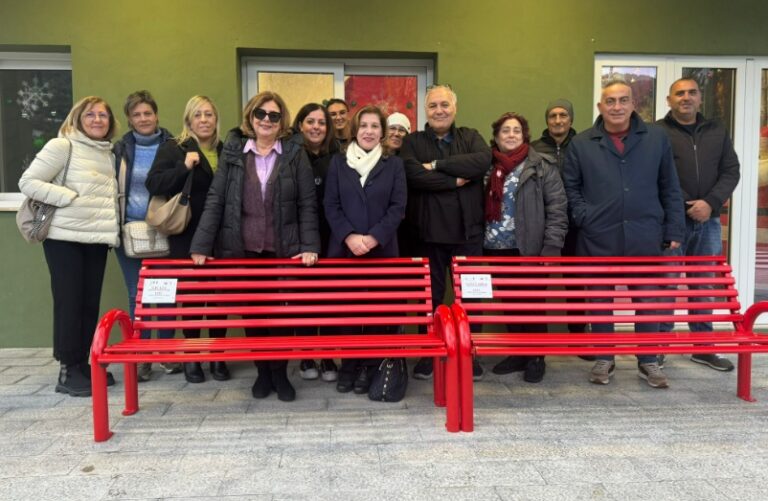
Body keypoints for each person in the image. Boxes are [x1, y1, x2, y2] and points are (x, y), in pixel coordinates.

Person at [190, 91, 320, 402]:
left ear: (281, 122)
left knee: (281, 316)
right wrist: (201, 243)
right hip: (243, 248)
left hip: (282, 249)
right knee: (254, 314)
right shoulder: (235, 152)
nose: (266, 120)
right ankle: (263, 373)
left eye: (274, 116)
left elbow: (307, 202)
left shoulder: (294, 153)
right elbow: (216, 199)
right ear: (251, 116)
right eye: (261, 113)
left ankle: (280, 373)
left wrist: (310, 243)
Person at [563, 79, 685, 388]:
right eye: (610, 101)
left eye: (623, 100)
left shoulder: (656, 138)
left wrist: (673, 228)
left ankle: (649, 361)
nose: (616, 106)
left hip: (647, 235)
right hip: (597, 236)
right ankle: (605, 358)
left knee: (647, 300)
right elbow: (570, 188)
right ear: (600, 106)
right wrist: (584, 216)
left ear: (633, 104)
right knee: (600, 301)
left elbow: (670, 186)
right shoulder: (582, 143)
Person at [19, 96, 120, 397]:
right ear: (77, 118)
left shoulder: (107, 154)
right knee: (69, 302)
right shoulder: (63, 145)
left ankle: (84, 363)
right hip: (64, 239)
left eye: (103, 115)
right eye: (90, 114)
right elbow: (28, 181)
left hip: (96, 239)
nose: (98, 120)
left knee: (89, 304)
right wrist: (68, 197)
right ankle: (67, 369)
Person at [400, 84, 491, 381]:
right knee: (430, 299)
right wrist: (453, 181)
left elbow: (480, 162)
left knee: (472, 299)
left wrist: (438, 165)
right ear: (425, 110)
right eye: (433, 106)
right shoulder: (412, 142)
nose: (439, 111)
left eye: (444, 105)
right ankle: (429, 354)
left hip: (469, 235)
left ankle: (470, 352)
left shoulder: (471, 137)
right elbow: (414, 175)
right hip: (426, 236)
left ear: (455, 108)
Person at [656, 77, 741, 371]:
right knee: (666, 286)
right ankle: (657, 349)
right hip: (670, 223)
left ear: (700, 99)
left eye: (692, 93)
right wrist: (683, 205)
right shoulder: (656, 132)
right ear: (669, 100)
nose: (686, 98)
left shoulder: (716, 131)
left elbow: (731, 170)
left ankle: (703, 348)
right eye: (680, 93)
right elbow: (654, 174)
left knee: (702, 285)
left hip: (709, 221)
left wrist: (710, 203)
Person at [324, 105, 407, 394]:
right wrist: (349, 236)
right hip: (345, 251)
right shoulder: (337, 163)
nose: (369, 131)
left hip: (381, 251)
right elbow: (330, 205)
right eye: (363, 125)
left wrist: (372, 238)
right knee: (348, 312)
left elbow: (398, 207)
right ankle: (349, 365)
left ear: (382, 131)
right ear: (354, 130)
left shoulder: (393, 165)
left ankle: (369, 368)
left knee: (375, 313)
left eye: (375, 126)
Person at [145, 95, 228, 384]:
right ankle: (193, 357)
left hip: (222, 236)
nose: (204, 120)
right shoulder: (174, 148)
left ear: (216, 119)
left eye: (209, 114)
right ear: (188, 120)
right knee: (192, 298)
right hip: (188, 235)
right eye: (197, 115)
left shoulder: (226, 149)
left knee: (218, 300)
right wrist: (184, 167)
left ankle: (218, 357)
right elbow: (153, 184)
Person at [483, 112, 568, 383]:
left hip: (529, 249)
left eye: (516, 131)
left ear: (524, 136)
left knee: (532, 304)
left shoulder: (542, 166)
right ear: (496, 137)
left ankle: (535, 357)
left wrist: (552, 248)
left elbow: (558, 208)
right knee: (510, 304)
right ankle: (519, 352)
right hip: (495, 249)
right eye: (505, 131)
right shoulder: (486, 166)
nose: (510, 135)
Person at [113, 90, 179, 382]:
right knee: (136, 295)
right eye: (137, 114)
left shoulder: (174, 144)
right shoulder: (120, 149)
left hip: (164, 229)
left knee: (164, 295)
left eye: (147, 113)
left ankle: (164, 353)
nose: (143, 119)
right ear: (129, 118)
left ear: (156, 115)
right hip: (130, 231)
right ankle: (141, 355)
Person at [529, 99, 592, 354]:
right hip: (543, 227)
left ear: (571, 119)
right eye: (552, 115)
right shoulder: (533, 149)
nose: (558, 120)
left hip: (577, 227)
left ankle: (578, 338)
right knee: (537, 284)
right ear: (546, 120)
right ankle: (536, 342)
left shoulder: (584, 146)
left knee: (576, 283)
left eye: (563, 115)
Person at [289, 102, 339, 383]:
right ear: (300, 125)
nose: (316, 127)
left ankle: (328, 356)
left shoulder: (338, 156)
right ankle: (307, 354)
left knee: (328, 300)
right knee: (305, 300)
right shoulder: (290, 155)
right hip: (299, 240)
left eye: (321, 122)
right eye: (310, 121)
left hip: (332, 238)